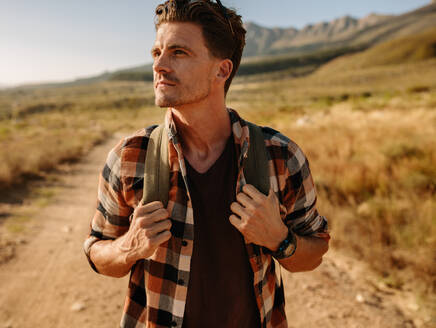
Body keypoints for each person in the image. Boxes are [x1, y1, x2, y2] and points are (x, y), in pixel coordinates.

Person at [83, 0, 330, 327]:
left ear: (222, 70)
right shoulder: (129, 157)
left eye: (178, 53)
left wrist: (279, 238)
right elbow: (97, 255)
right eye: (156, 53)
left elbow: (313, 255)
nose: (159, 65)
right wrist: (128, 247)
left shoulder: (281, 157)